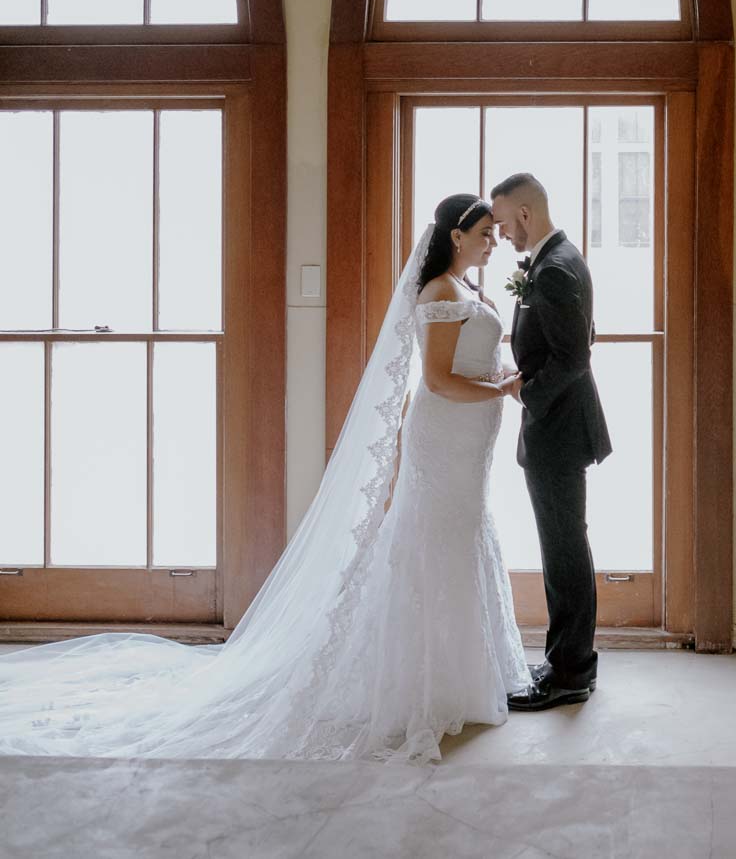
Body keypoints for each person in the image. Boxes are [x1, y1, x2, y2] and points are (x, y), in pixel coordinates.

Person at [0, 194, 531, 762]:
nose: (493, 240)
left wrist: (503, 374)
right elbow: (438, 381)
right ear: (455, 235)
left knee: (461, 534)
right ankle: (429, 680)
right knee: (436, 538)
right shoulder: (440, 293)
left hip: (468, 440)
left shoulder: (466, 290)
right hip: (447, 433)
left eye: (496, 234)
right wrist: (501, 390)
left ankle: (467, 669)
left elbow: (468, 363)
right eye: (485, 232)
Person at [490, 172, 612, 712]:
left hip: (558, 430)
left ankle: (569, 674)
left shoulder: (555, 269)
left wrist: (525, 390)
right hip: (560, 427)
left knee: (563, 553)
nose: (502, 236)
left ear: (523, 214)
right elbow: (582, 335)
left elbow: (574, 357)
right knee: (565, 549)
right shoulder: (559, 258)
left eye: (502, 223)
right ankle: (570, 662)